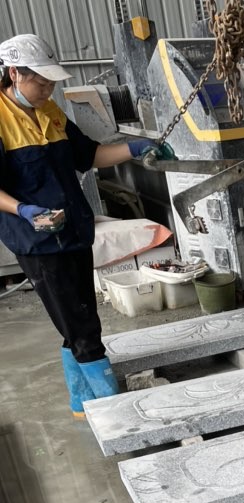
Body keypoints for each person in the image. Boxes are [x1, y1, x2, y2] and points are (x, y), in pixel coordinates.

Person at [0, 33, 175, 417]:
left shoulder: (50, 112)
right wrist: (23, 210)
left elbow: (90, 155)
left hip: (74, 231)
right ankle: (117, 415)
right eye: (40, 82)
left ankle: (83, 403)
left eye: (51, 83)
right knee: (82, 328)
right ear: (14, 73)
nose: (48, 90)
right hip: (38, 242)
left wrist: (133, 148)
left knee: (79, 319)